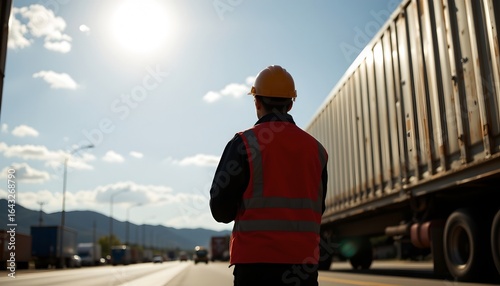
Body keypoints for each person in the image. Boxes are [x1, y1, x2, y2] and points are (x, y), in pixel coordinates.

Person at [209, 65, 328, 286]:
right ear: (291, 103)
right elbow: (318, 209)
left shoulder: (244, 144)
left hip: (255, 267)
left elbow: (220, 210)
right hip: (303, 267)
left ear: (257, 102)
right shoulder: (316, 150)